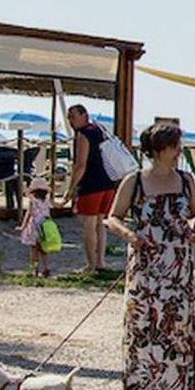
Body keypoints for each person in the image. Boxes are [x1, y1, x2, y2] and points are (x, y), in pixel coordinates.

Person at [104, 120, 195, 390]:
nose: (179, 151)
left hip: (178, 269)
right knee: (142, 327)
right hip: (146, 267)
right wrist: (131, 236)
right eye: (174, 146)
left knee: (175, 328)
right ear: (158, 150)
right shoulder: (134, 181)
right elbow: (113, 217)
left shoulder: (186, 181)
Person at [63, 104, 120, 273]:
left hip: (91, 183)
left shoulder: (83, 134)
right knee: (100, 224)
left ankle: (91, 264)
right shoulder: (99, 130)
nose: (71, 121)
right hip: (108, 181)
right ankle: (100, 261)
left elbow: (81, 165)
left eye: (73, 116)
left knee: (89, 224)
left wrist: (71, 188)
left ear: (83, 115)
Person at [17, 175, 58, 278]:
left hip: (34, 226)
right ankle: (46, 268)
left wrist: (23, 226)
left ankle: (34, 269)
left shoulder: (33, 201)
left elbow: (29, 214)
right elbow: (56, 206)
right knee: (44, 250)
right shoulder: (47, 200)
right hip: (45, 226)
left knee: (34, 250)